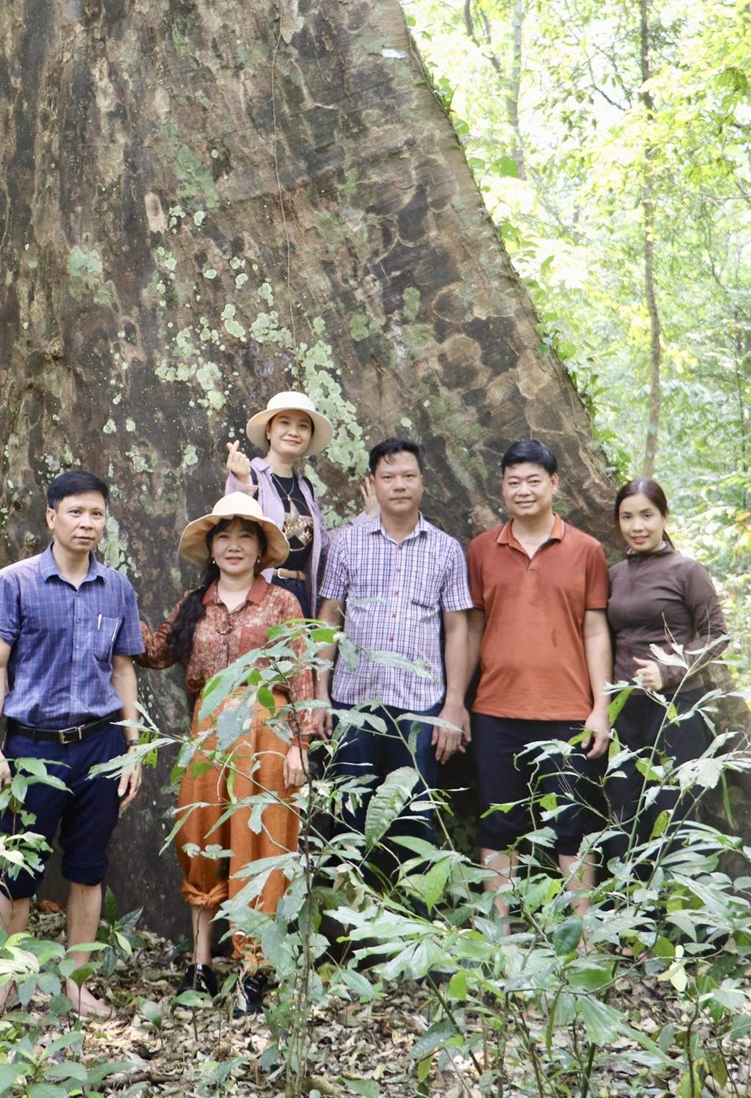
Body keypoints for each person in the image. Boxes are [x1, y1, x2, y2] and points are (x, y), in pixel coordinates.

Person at [0, 469, 143, 1021]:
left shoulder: (117, 588)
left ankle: (76, 986)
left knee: (89, 868)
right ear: (51, 516)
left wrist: (133, 747)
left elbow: (123, 668)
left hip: (100, 746)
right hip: (32, 747)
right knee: (17, 870)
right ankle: (1, 985)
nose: (86, 523)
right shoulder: (14, 582)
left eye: (96, 514)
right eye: (75, 512)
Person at [138, 492, 312, 1017]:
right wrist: (113, 609)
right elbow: (155, 652)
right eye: (224, 537)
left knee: (260, 843)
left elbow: (302, 673)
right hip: (208, 732)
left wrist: (301, 746)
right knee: (200, 838)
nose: (234, 546)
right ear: (211, 548)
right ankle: (201, 964)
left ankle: (253, 971)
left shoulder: (281, 603)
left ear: (260, 549)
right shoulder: (194, 603)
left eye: (245, 537)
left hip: (267, 732)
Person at [466, 440, 611, 920]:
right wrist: (458, 702)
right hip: (495, 710)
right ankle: (500, 938)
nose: (523, 490)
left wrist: (601, 707)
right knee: (498, 824)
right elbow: (473, 628)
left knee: (573, 825)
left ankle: (583, 937)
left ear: (554, 483)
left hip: (568, 712)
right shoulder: (482, 549)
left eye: (533, 480)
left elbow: (595, 630)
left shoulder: (586, 550)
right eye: (514, 482)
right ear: (502, 488)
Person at [314, 438, 474, 871]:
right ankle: (347, 910)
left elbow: (457, 629)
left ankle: (415, 908)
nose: (399, 485)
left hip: (420, 707)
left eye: (408, 476)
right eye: (388, 477)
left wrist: (453, 705)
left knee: (414, 818)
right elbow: (329, 617)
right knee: (348, 815)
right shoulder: (347, 544)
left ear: (422, 481)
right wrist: (320, 692)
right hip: (353, 702)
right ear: (373, 483)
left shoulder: (446, 549)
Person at [606, 476, 728, 852]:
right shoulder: (614, 575)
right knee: (623, 808)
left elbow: (717, 635)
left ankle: (674, 886)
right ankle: (628, 887)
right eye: (627, 517)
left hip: (677, 708)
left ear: (664, 516)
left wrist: (668, 670)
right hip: (624, 708)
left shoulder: (687, 571)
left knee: (672, 809)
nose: (637, 526)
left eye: (647, 515)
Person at [224, 390, 334, 620]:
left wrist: (368, 517)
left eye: (303, 426)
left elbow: (324, 543)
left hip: (300, 592)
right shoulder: (251, 476)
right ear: (269, 430)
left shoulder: (306, 487)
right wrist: (241, 481)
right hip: (261, 590)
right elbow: (233, 525)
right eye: (284, 422)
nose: (294, 432)